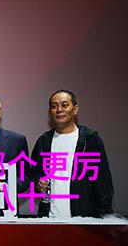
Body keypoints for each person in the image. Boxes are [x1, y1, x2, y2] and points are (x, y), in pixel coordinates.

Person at [31, 90, 113, 218]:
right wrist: (38, 183)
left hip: (83, 220)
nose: (59, 110)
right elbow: (34, 174)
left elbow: (103, 183)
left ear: (75, 109)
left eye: (64, 105)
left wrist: (104, 218)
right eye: (54, 106)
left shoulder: (90, 139)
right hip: (49, 219)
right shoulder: (44, 140)